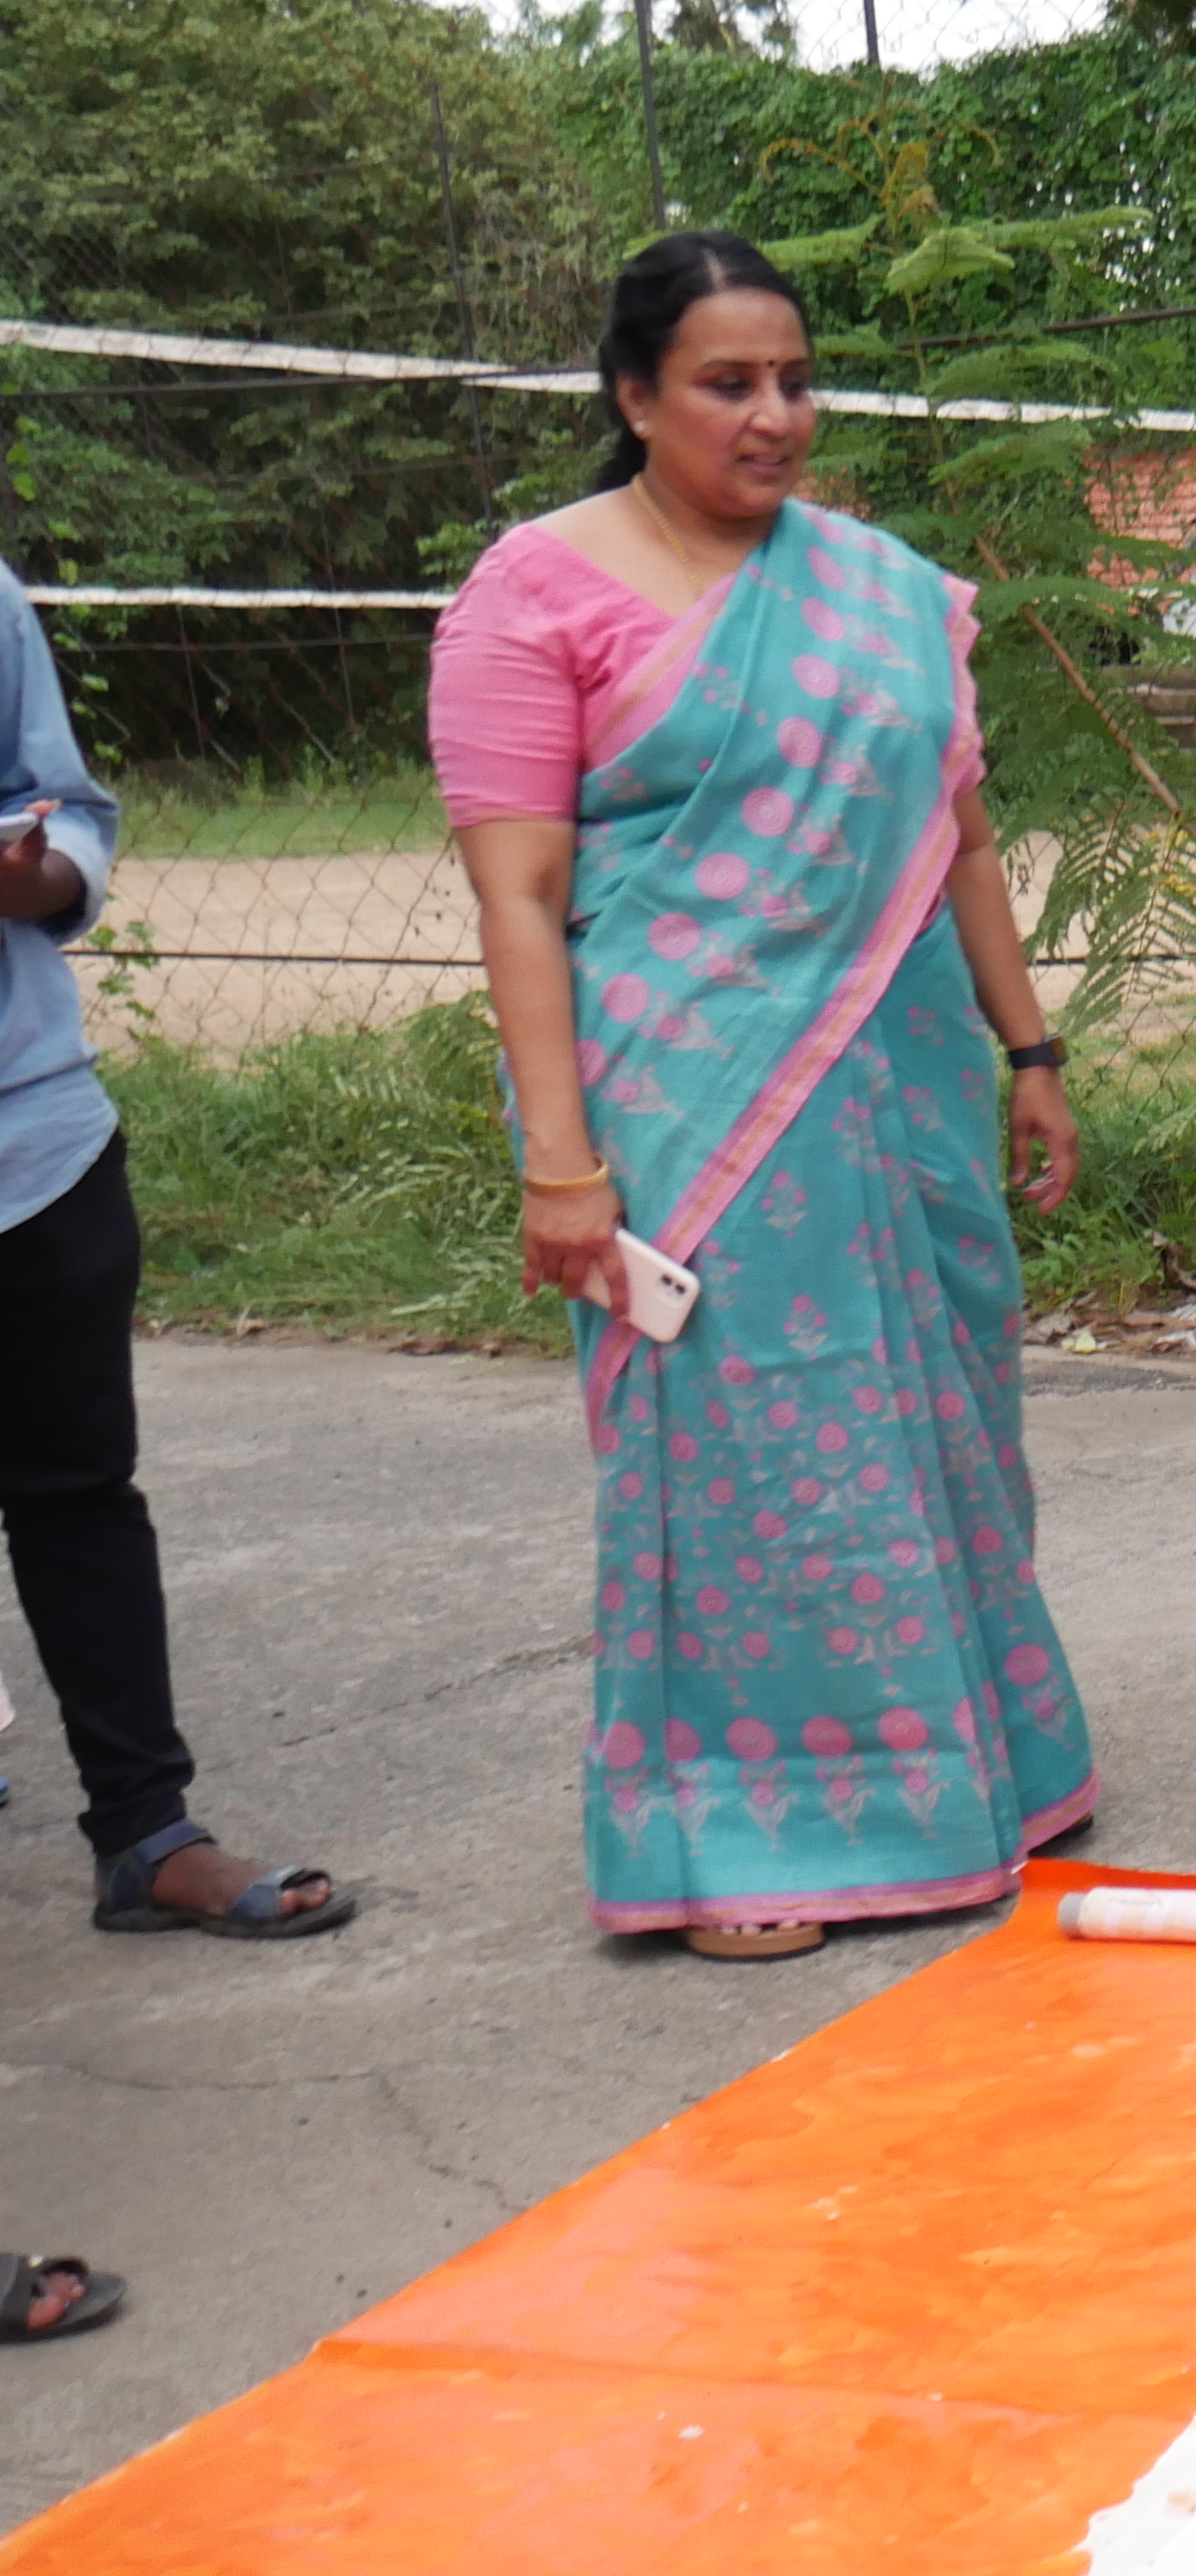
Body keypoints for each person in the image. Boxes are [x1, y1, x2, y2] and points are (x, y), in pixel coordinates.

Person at [430, 232, 1096, 1959]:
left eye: (796, 378)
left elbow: (953, 836)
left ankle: (982, 1766)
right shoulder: (535, 591)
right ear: (636, 395)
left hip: (903, 1075)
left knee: (941, 1417)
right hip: (684, 1093)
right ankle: (744, 1828)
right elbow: (516, 896)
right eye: (730, 382)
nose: (777, 414)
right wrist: (562, 1162)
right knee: (743, 1460)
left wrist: (1030, 1052)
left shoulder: (877, 584)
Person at [1, 560, 346, 1942]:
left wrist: (36, 875)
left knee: (79, 1494)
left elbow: (69, 812)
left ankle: (146, 1836)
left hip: (34, 1143)